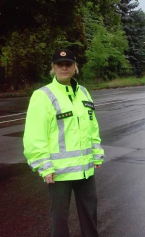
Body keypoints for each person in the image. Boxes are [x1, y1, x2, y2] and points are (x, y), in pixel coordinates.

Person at [23, 49, 105, 237]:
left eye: (68, 64)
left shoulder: (83, 92)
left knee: (90, 216)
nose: (64, 68)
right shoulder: (42, 95)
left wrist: (96, 152)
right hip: (59, 172)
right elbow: (35, 135)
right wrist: (44, 166)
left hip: (85, 169)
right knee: (59, 220)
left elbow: (92, 126)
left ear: (75, 67)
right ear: (53, 68)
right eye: (60, 64)